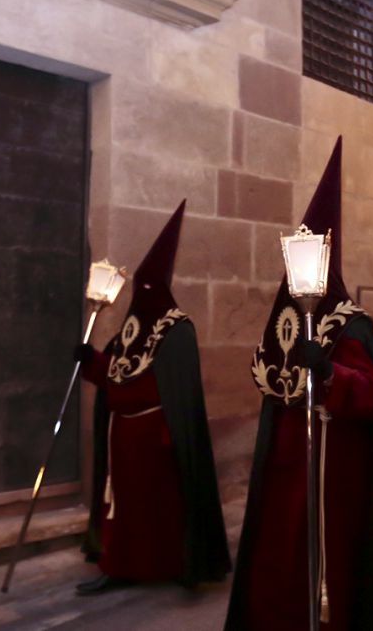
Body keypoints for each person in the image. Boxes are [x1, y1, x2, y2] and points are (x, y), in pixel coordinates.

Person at [224, 138, 373, 631]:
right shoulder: (285, 317)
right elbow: (268, 373)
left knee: (324, 560)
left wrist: (328, 373)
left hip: (330, 469)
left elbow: (370, 395)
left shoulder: (352, 322)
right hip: (282, 464)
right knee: (277, 554)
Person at [75, 200, 231, 594]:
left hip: (157, 442)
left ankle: (176, 564)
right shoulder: (130, 326)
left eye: (149, 285)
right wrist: (89, 360)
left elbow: (178, 392)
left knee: (160, 509)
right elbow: (115, 373)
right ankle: (120, 565)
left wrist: (168, 439)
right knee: (124, 510)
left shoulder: (177, 330)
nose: (141, 292)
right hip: (122, 440)